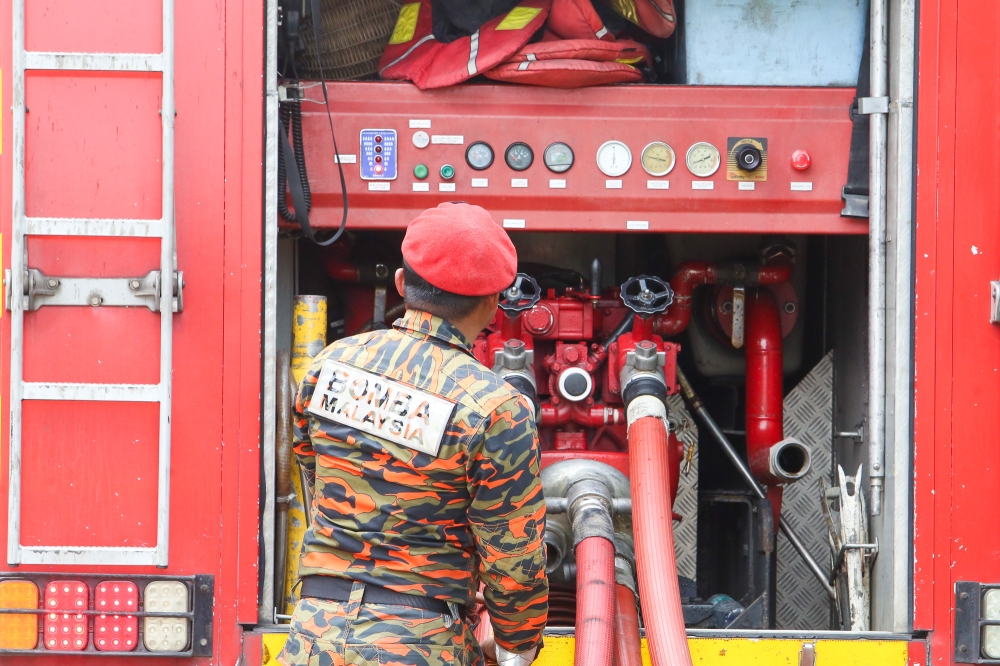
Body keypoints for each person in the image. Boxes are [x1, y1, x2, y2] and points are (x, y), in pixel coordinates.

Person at [279, 202, 548, 666]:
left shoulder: (330, 365)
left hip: (313, 636)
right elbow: (513, 561)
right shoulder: (496, 408)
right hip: (419, 644)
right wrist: (515, 644)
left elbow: (314, 473)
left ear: (402, 285)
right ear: (491, 303)